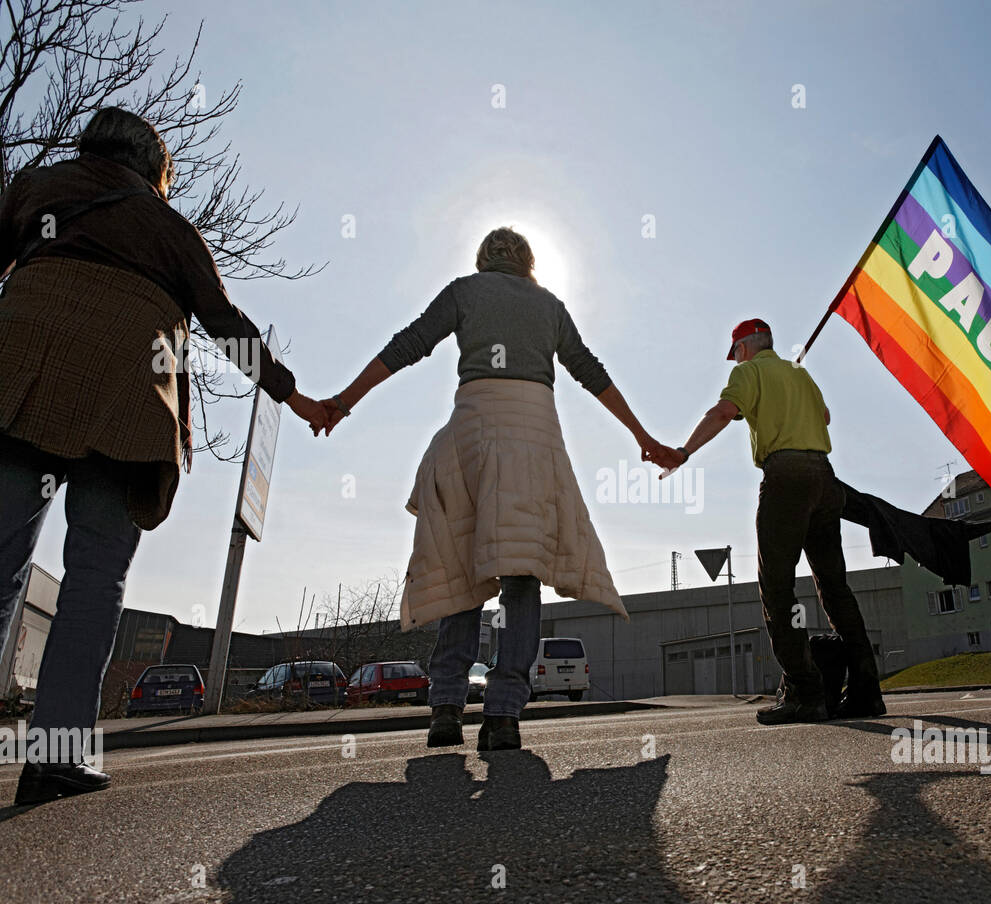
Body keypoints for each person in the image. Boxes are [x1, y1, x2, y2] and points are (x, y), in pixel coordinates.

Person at [0, 108, 327, 806]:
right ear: (155, 171)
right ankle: (55, 754)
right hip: (123, 398)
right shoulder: (171, 228)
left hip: (17, 377)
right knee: (93, 575)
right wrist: (293, 396)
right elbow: (225, 323)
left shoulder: (37, 188)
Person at [319, 227, 671, 751]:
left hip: (474, 434)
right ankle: (504, 715)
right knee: (522, 576)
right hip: (534, 440)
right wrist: (642, 436)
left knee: (463, 565)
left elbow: (408, 344)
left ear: (484, 260)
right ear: (529, 263)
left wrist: (343, 401)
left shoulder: (464, 291)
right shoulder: (549, 305)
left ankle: (445, 707)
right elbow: (589, 371)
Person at [661, 319, 883, 724]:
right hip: (824, 477)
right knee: (835, 588)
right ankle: (867, 690)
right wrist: (790, 390)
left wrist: (684, 451)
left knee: (778, 590)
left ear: (743, 348)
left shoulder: (747, 372)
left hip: (786, 479)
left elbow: (724, 411)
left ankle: (805, 693)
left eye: (736, 352)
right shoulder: (800, 374)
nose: (736, 358)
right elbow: (826, 417)